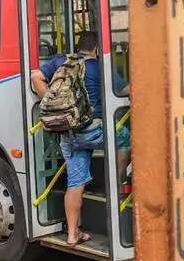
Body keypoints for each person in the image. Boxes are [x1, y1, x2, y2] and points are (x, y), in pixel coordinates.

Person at [31, 31, 130, 246]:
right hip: (95, 130)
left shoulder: (62, 61)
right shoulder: (101, 66)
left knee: (75, 183)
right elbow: (124, 90)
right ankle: (116, 179)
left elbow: (35, 76)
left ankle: (72, 234)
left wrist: (51, 101)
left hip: (68, 131)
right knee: (126, 140)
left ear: (78, 47)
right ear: (96, 48)